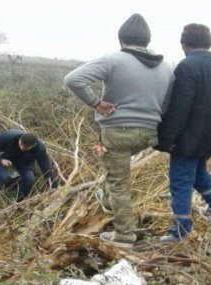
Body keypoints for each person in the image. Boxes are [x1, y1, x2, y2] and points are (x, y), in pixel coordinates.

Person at [64, 13, 174, 248]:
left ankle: (124, 235)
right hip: (148, 134)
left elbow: (73, 79)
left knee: (118, 184)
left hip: (118, 132)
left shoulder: (114, 59)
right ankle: (109, 203)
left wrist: (96, 103)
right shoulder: (166, 68)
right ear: (147, 40)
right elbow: (167, 104)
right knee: (113, 177)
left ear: (120, 39)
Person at [155, 24, 211, 243]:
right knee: (198, 171)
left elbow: (179, 108)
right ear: (209, 43)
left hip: (189, 138)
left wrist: (167, 140)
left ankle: (180, 232)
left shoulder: (187, 66)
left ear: (184, 44)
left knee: (180, 181)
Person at [0, 129, 57, 202]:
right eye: (21, 144)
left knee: (29, 179)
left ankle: (19, 203)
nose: (22, 148)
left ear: (33, 146)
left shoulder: (39, 149)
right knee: (1, 176)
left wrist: (53, 186)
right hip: (4, 158)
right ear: (20, 139)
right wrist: (0, 159)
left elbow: (45, 167)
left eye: (26, 147)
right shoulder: (9, 136)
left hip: (24, 162)